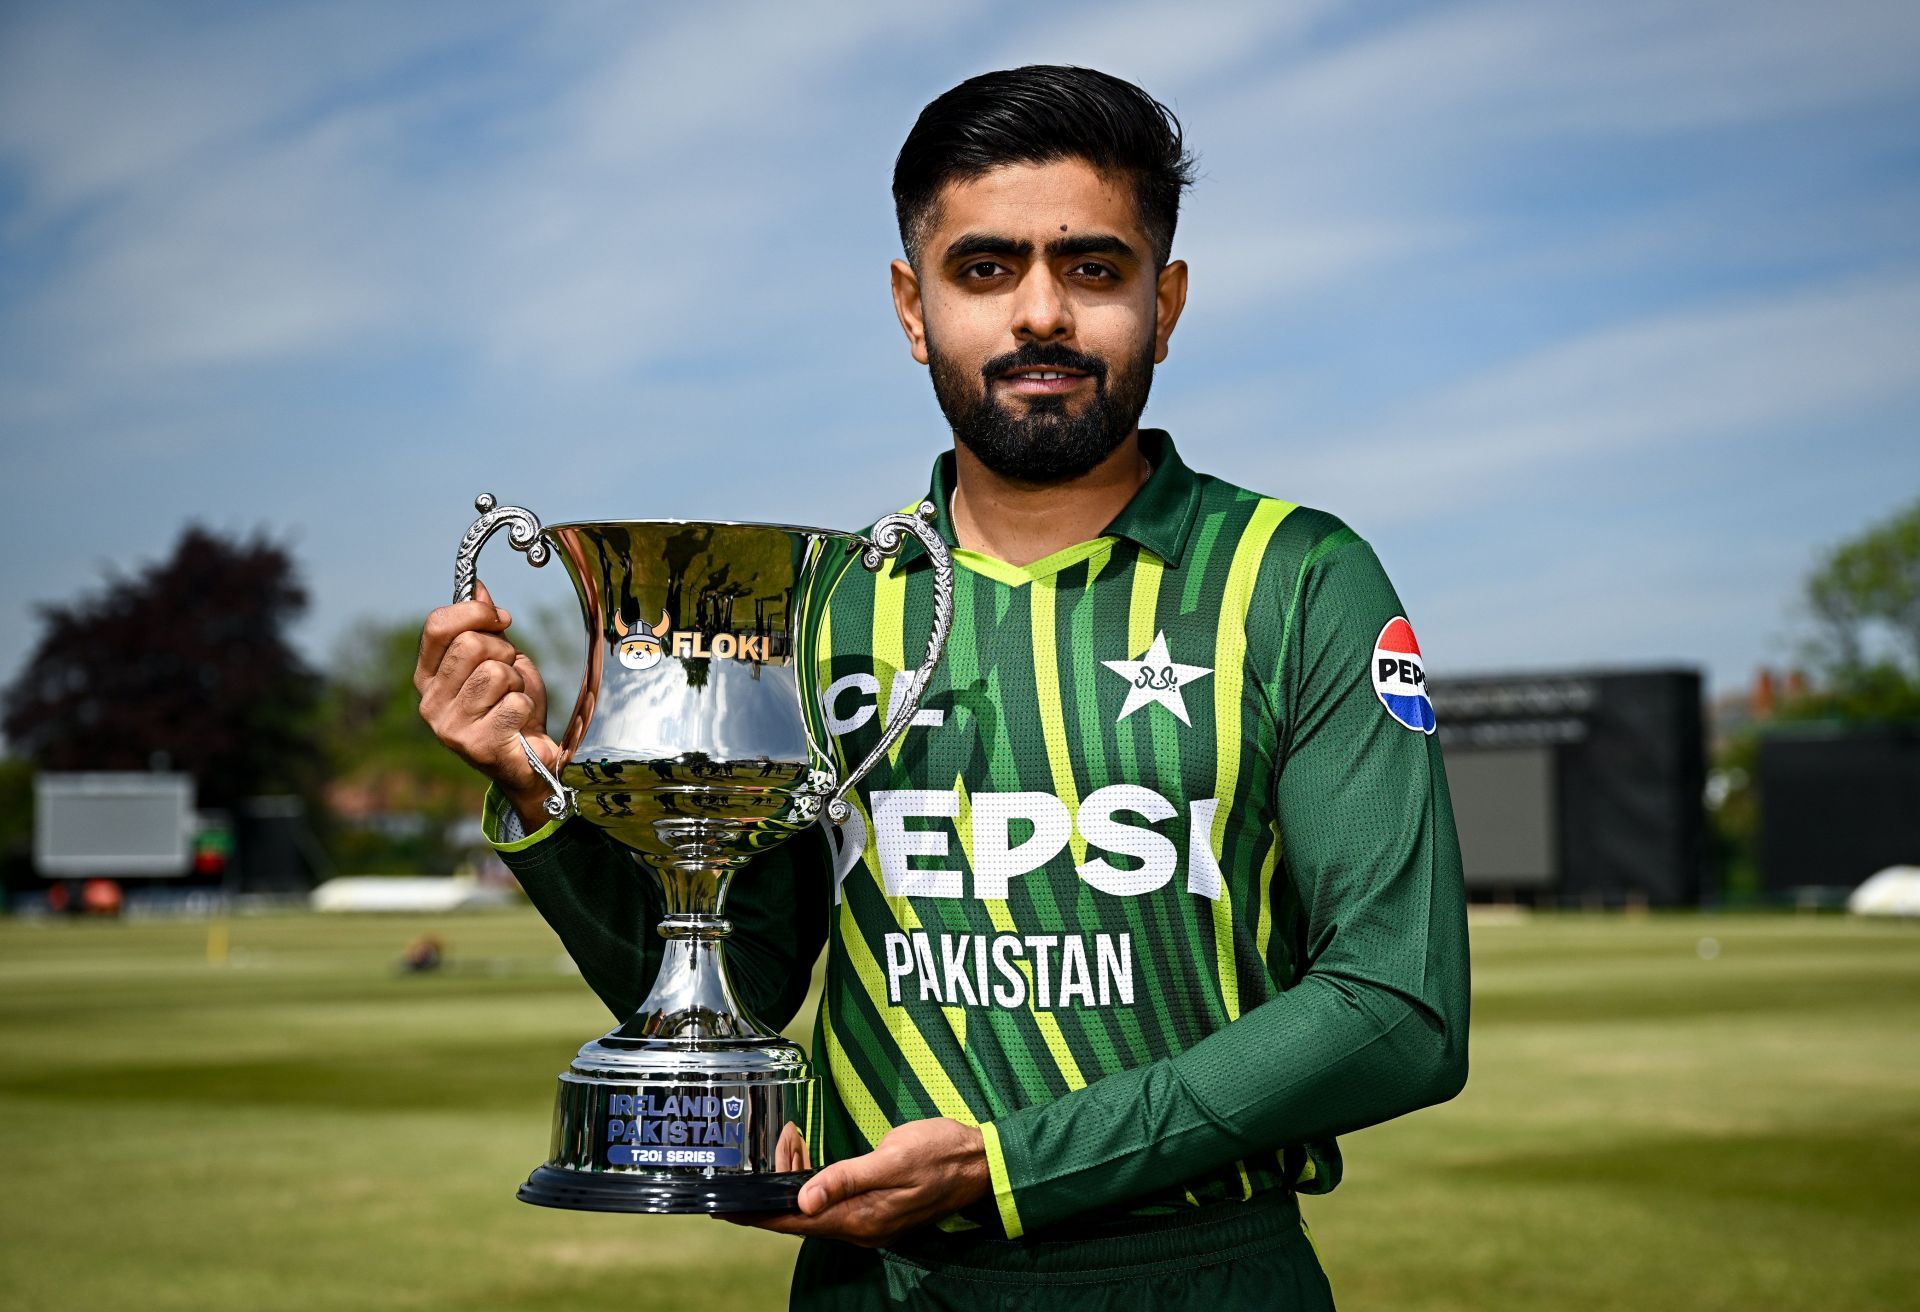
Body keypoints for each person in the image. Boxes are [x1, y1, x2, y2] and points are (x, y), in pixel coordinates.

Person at [416, 65, 1468, 1311]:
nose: (1040, 314)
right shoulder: (828, 604)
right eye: (985, 270)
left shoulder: (1299, 578)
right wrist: (534, 788)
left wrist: (1009, 1165)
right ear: (913, 307)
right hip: (881, 1288)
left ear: (1166, 301)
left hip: (1198, 1277)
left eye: (1092, 268)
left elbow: (1400, 1003)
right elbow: (730, 985)